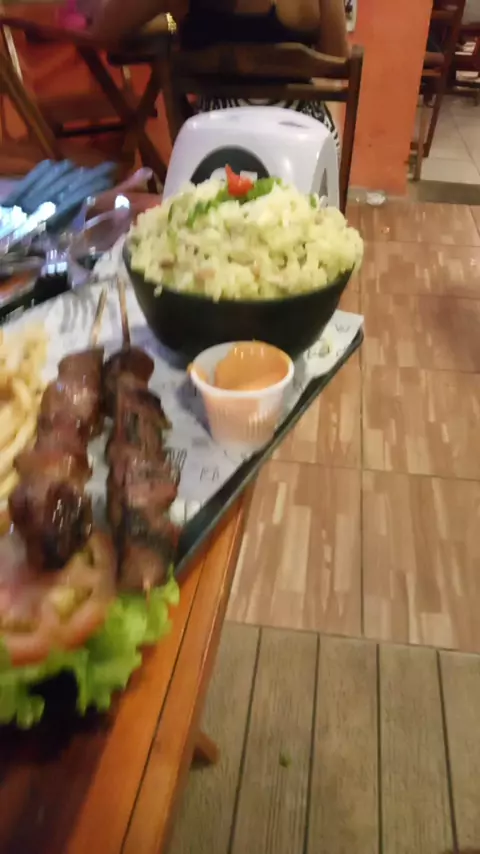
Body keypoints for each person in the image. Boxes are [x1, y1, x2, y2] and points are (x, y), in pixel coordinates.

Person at [87, 0, 349, 149]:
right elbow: (337, 58)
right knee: (328, 117)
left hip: (211, 143)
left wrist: (171, 19)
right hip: (303, 145)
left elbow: (103, 30)